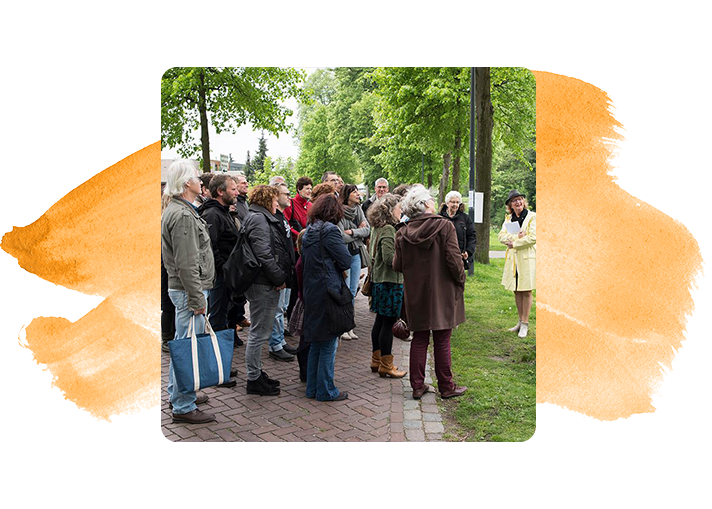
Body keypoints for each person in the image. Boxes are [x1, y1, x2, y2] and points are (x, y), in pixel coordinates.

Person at [393, 186, 467, 400]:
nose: (434, 202)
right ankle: (446, 386)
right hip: (442, 290)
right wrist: (461, 279)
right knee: (442, 338)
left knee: (419, 337)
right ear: (425, 204)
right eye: (431, 199)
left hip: (416, 292)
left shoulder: (402, 232)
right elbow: (454, 260)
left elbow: (397, 265)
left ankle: (417, 386)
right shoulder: (444, 226)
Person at [161, 159, 216, 423]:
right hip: (188, 291)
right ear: (186, 184)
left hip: (186, 290)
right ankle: (183, 405)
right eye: (196, 177)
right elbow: (186, 263)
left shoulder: (182, 210)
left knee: (183, 344)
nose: (200, 181)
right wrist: (196, 298)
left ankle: (178, 392)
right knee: (187, 347)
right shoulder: (183, 215)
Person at [301, 194, 352, 401]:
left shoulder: (310, 230)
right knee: (329, 342)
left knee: (317, 342)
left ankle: (313, 388)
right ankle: (326, 390)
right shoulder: (330, 230)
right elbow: (346, 260)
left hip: (312, 289)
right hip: (328, 290)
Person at [241, 185, 291, 395]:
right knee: (259, 333)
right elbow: (264, 254)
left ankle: (257, 373)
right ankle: (253, 379)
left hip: (263, 281)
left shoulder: (257, 217)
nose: (276, 204)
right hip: (263, 283)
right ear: (266, 200)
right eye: (274, 200)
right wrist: (279, 277)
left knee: (260, 331)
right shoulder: (259, 219)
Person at [366, 193, 406, 378]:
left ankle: (376, 361)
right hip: (389, 282)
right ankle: (386, 365)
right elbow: (390, 259)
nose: (401, 211)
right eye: (399, 208)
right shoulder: (389, 229)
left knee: (380, 321)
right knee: (387, 324)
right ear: (390, 210)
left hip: (379, 281)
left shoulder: (377, 227)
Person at [498, 189, 536, 338]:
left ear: (523, 201)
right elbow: (501, 236)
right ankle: (520, 321)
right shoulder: (509, 219)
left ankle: (525, 323)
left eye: (520, 199)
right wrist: (517, 237)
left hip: (526, 259)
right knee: (516, 289)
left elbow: (533, 237)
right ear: (510, 205)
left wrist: (514, 243)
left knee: (526, 290)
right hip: (513, 260)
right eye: (514, 200)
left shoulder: (532, 217)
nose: (518, 202)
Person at [268, 182, 297, 361]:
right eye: (286, 194)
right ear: (276, 197)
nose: (289, 197)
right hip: (280, 271)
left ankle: (280, 340)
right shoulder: (273, 218)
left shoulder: (281, 216)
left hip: (286, 270)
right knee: (277, 309)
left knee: (281, 307)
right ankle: (275, 344)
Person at [338, 183, 370, 341]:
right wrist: (358, 231)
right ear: (347, 194)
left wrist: (351, 231)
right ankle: (342, 327)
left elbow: (367, 230)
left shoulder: (358, 209)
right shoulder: (338, 210)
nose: (358, 194)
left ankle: (349, 325)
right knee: (344, 290)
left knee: (352, 291)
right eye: (354, 192)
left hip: (356, 254)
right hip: (344, 254)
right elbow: (340, 236)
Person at [439, 190, 477, 271]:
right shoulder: (439, 218)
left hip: (459, 257)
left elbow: (472, 236)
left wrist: (468, 251)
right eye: (453, 202)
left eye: (457, 202)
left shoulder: (465, 218)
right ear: (447, 203)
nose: (455, 205)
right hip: (442, 258)